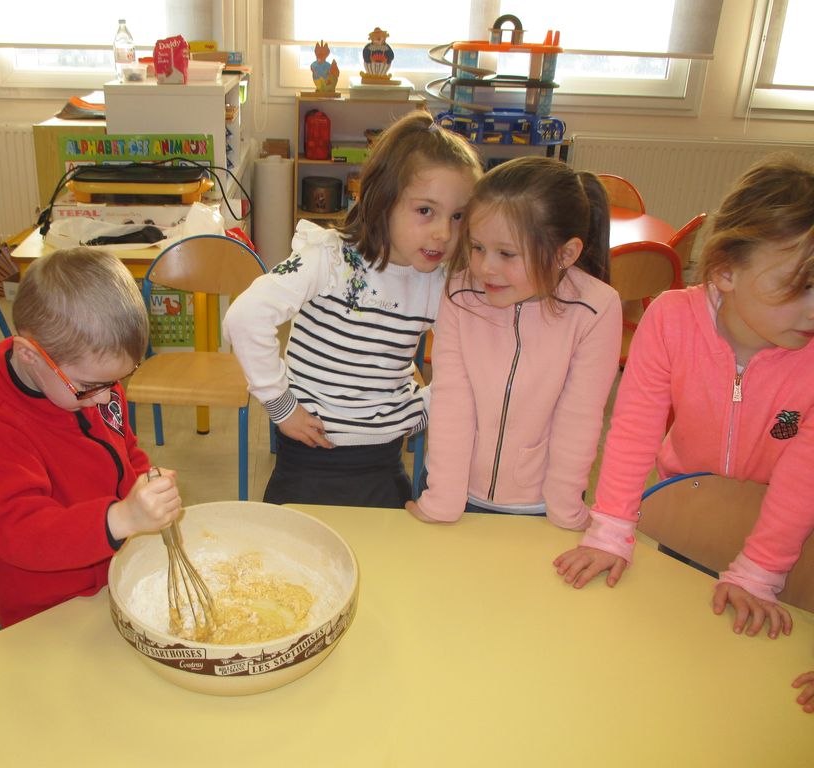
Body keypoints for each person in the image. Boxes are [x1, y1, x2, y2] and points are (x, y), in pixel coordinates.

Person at [554, 154, 814, 640]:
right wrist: (610, 532)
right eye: (800, 287)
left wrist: (760, 570)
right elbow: (634, 431)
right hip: (684, 511)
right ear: (726, 271)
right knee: (671, 633)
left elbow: (803, 481)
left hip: (782, 541)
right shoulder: (672, 320)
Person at [223, 111, 481, 507]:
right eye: (425, 211)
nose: (444, 233)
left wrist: (425, 407)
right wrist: (281, 406)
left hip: (382, 463)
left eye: (458, 216)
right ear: (383, 200)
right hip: (307, 460)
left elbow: (467, 362)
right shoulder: (329, 258)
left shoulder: (438, 283)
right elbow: (245, 318)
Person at [0, 248, 183, 628]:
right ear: (30, 355)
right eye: (90, 386)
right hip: (45, 609)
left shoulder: (94, 386)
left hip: (111, 574)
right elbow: (21, 534)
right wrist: (121, 518)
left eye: (117, 381)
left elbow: (124, 449)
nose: (107, 398)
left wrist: (145, 483)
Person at [406, 156, 621, 526]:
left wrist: (565, 511)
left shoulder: (596, 308)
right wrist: (442, 500)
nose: (485, 268)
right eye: (477, 247)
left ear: (565, 254)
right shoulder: (460, 292)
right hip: (454, 491)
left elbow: (579, 419)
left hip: (539, 504)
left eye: (506, 253)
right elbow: (452, 399)